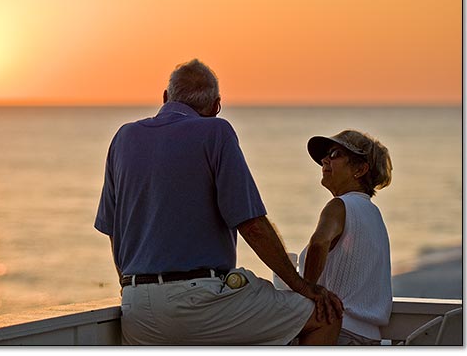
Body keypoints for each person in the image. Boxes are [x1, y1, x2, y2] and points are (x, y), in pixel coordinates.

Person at [94, 59, 343, 345]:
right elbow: (251, 225)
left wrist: (129, 289)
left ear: (165, 97)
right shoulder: (216, 132)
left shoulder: (123, 138)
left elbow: (115, 231)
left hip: (136, 308)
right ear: (216, 107)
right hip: (198, 303)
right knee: (326, 318)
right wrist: (303, 287)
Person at [299, 130, 393, 345]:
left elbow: (319, 242)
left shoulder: (340, 205)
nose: (324, 160)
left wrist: (307, 290)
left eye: (335, 154)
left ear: (360, 169)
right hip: (369, 338)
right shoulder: (373, 214)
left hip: (336, 331)